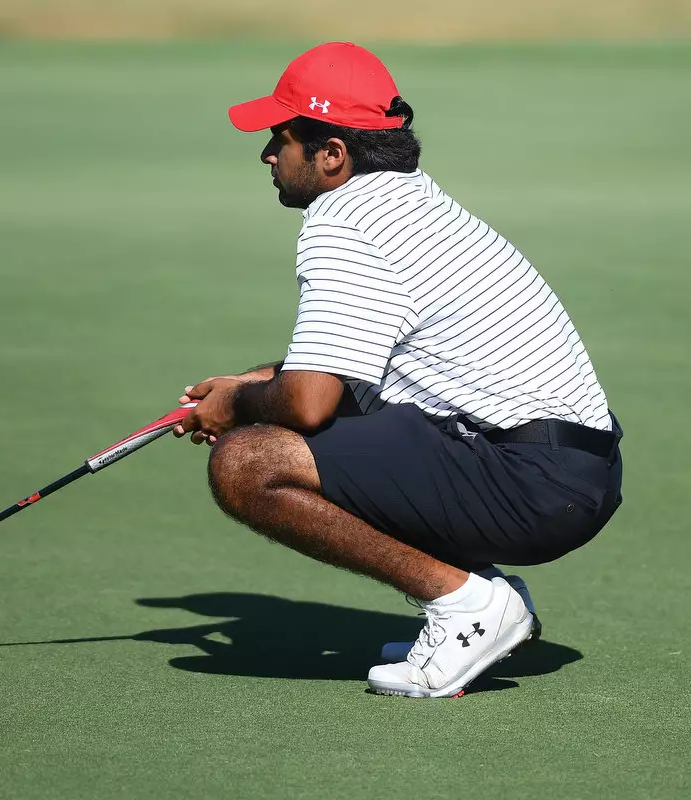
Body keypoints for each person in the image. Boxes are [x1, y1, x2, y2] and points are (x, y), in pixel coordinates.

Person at [175, 42, 623, 698]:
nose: (268, 154)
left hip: (534, 483)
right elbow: (343, 368)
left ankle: (468, 604)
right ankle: (483, 595)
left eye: (282, 137)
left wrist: (236, 408)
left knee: (246, 464)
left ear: (332, 155)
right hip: (567, 468)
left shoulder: (345, 224)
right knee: (307, 416)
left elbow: (307, 405)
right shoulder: (403, 200)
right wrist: (247, 383)